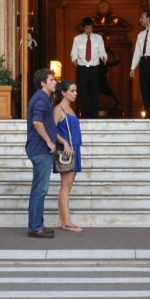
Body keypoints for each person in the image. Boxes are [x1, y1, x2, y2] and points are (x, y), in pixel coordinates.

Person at [24, 67, 59, 239]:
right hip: (41, 150)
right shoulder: (41, 99)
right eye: (52, 80)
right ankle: (36, 227)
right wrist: (49, 141)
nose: (55, 82)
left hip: (39, 149)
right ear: (43, 83)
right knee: (40, 190)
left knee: (39, 189)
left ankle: (38, 225)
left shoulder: (43, 98)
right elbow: (37, 122)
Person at [52, 80, 83, 233]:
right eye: (72, 91)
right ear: (63, 92)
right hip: (67, 151)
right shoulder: (59, 109)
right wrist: (64, 143)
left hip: (74, 149)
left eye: (76, 90)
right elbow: (51, 129)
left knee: (67, 186)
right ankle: (68, 222)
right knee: (67, 186)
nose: (75, 94)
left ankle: (61, 221)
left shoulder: (69, 108)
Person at [70, 17, 107, 118]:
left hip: (95, 68)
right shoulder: (77, 39)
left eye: (90, 28)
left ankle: (94, 115)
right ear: (83, 28)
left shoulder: (98, 38)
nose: (89, 30)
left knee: (95, 92)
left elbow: (102, 51)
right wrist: (75, 59)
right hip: (83, 69)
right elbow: (74, 53)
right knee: (84, 92)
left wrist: (104, 57)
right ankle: (85, 115)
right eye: (87, 28)